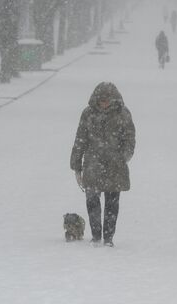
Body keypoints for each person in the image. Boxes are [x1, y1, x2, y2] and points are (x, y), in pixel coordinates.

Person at [70, 82, 136, 247]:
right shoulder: (88, 114)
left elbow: (129, 139)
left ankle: (108, 237)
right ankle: (96, 235)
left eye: (107, 100)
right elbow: (80, 140)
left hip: (115, 165)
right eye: (101, 100)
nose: (104, 103)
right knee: (92, 200)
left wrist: (123, 157)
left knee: (112, 203)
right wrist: (77, 166)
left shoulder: (123, 114)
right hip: (92, 165)